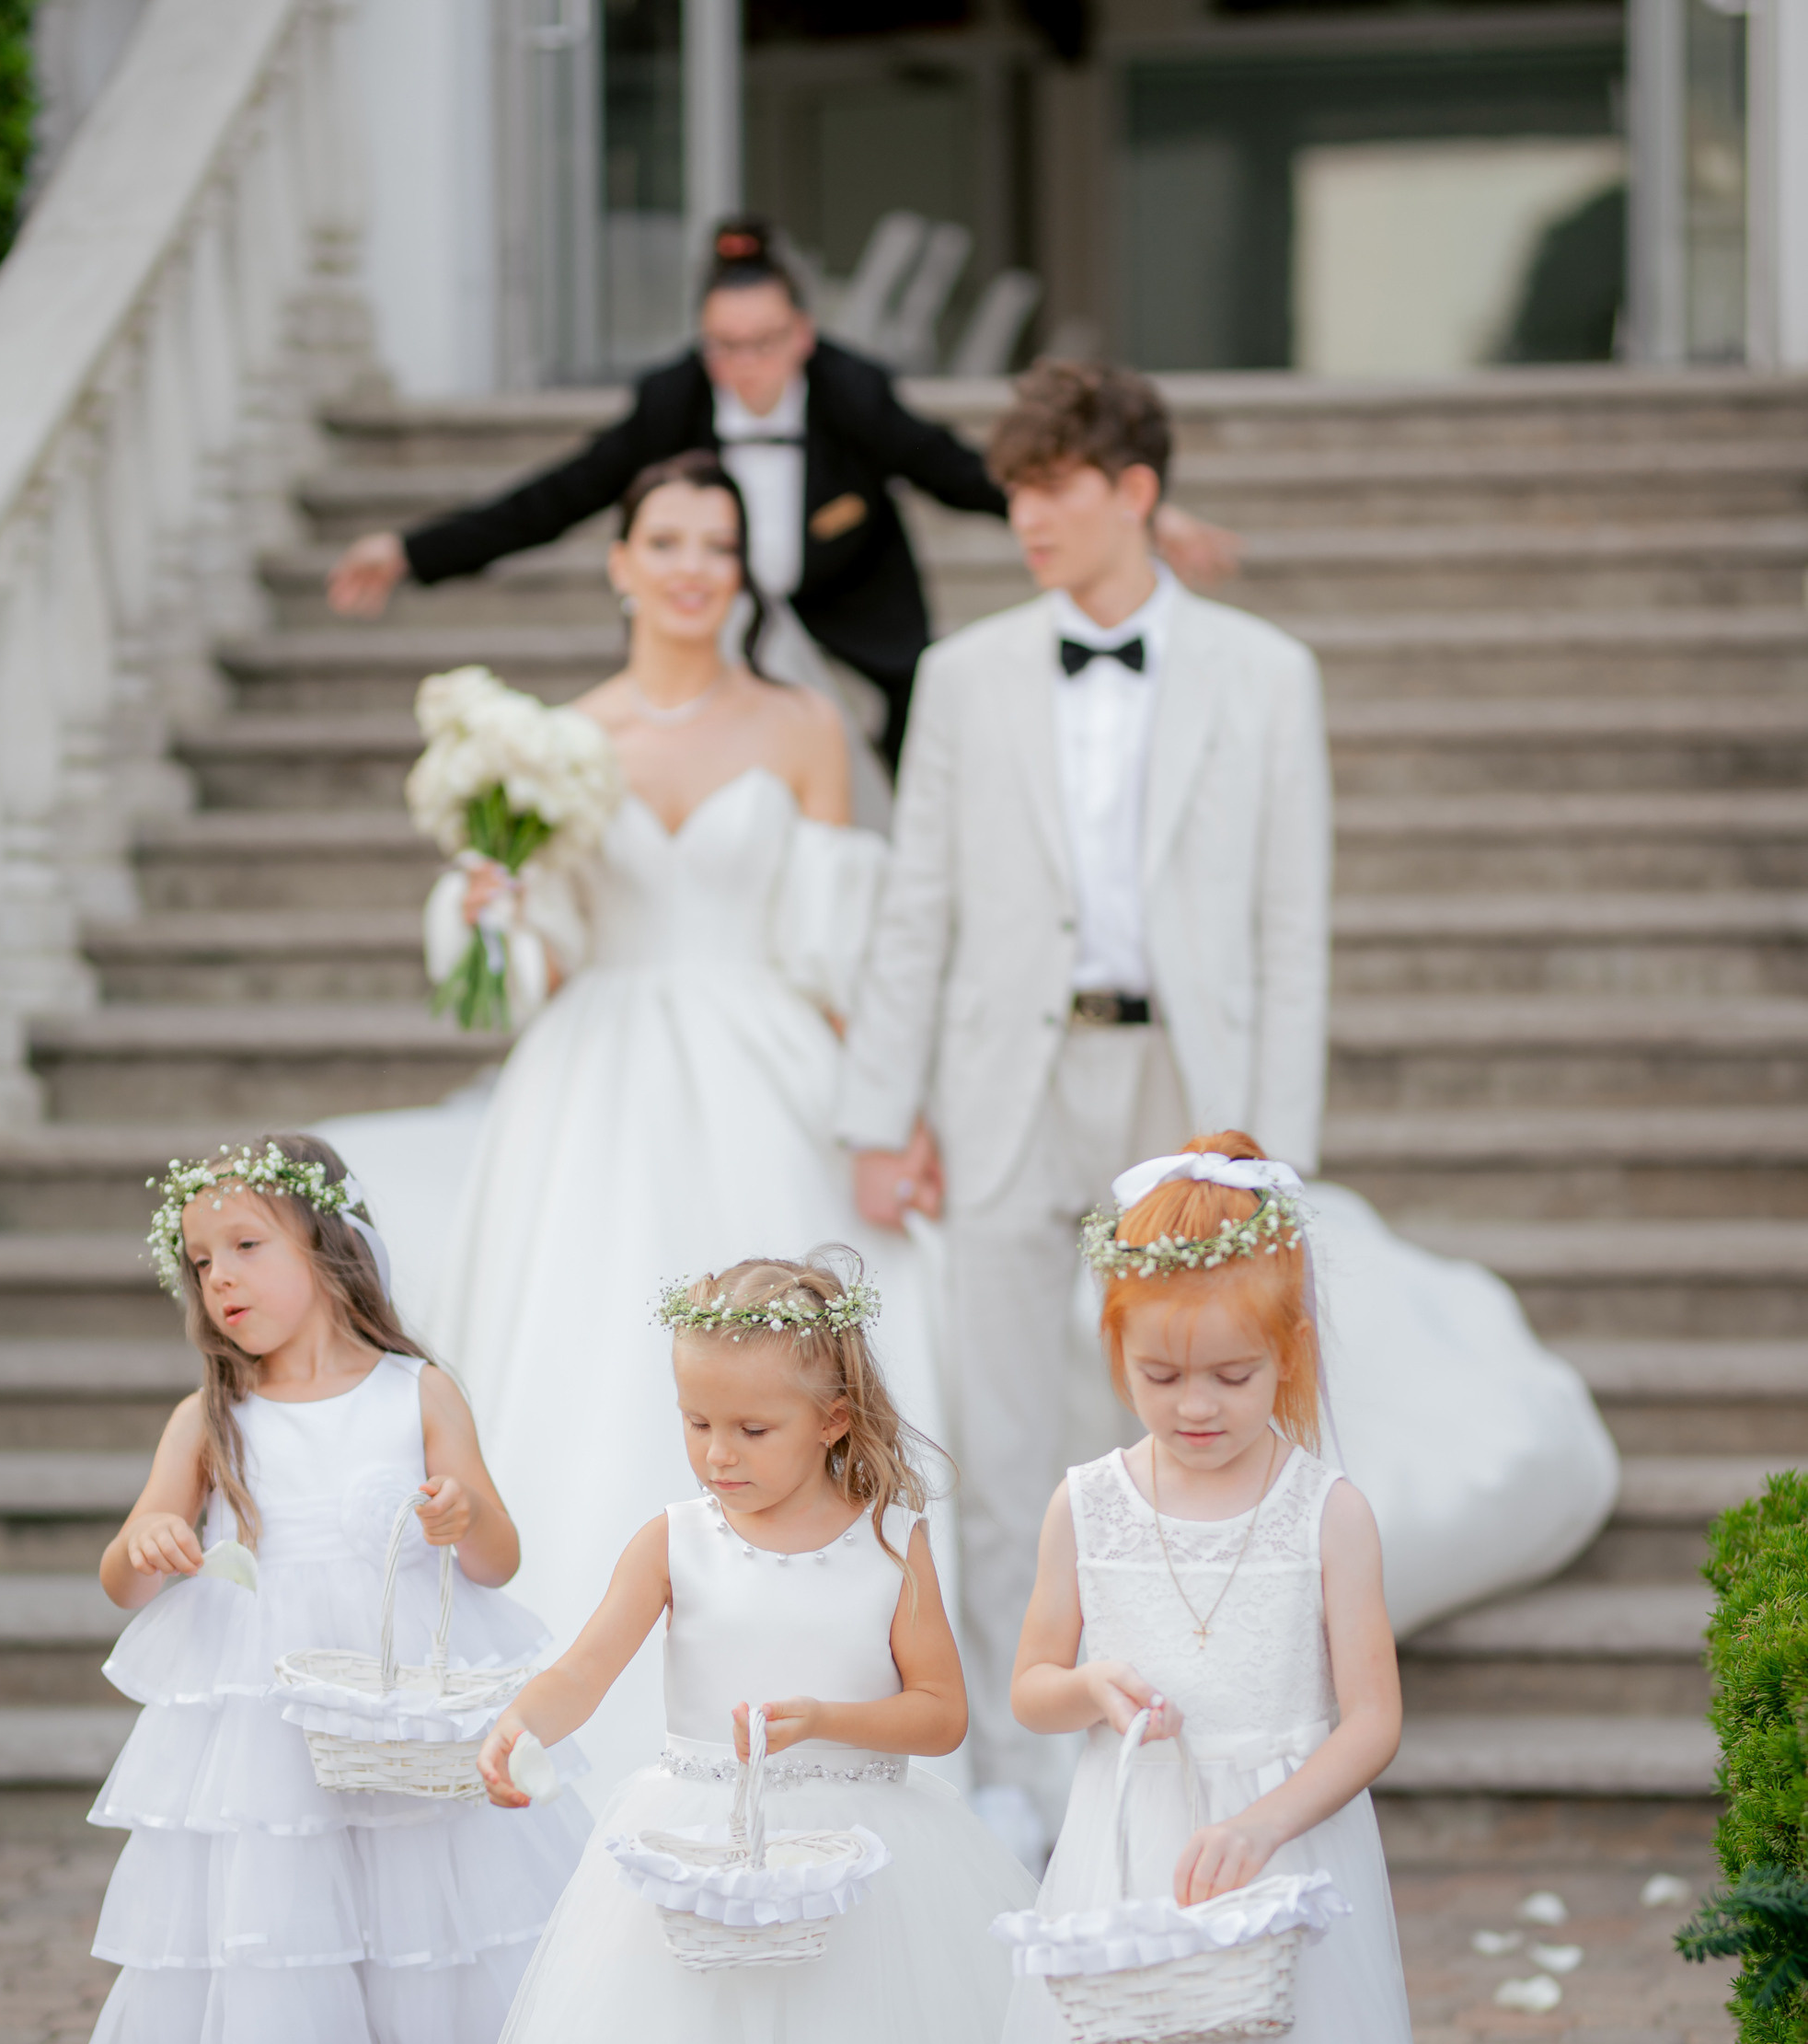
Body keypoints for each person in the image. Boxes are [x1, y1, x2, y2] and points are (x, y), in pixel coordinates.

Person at [837, 359, 1618, 1844]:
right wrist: (883, 1110)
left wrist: (1276, 1145)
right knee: (1002, 1436)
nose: (1027, 521)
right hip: (1005, 1080)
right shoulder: (965, 675)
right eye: (1013, 493)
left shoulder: (1266, 674)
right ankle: (1017, 1766)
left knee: (1200, 1415)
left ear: (1133, 491)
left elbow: (1288, 925)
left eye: (1053, 490)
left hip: (1188, 1090)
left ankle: (1228, 1740)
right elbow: (915, 904)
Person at [323, 453, 949, 1799]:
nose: (689, 568)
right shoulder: (556, 742)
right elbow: (533, 964)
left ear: (741, 573)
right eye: (664, 540)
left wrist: (890, 1116)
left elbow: (841, 951)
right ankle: (563, 1710)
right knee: (585, 1353)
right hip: (591, 1080)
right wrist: (491, 908)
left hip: (763, 1066)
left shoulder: (800, 726)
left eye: (716, 547)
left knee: (786, 1344)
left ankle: (811, 1679)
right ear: (619, 563)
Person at [407, 1253, 1036, 2044]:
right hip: (697, 1852)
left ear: (835, 1418)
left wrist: (828, 1719)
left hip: (859, 1862)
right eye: (695, 1422)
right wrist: (523, 1722)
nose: (717, 1453)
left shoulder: (890, 1543)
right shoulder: (675, 1542)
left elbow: (941, 1716)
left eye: (752, 1427)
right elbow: (587, 1666)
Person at [972, 1139, 1493, 2044]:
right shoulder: (1091, 1501)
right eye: (1163, 1378)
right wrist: (1097, 1689)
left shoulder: (1327, 1509)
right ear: (1117, 1352)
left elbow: (1373, 1714)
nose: (1196, 1409)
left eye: (1232, 1379)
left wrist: (1271, 1820)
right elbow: (1028, 1678)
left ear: (1288, 1358)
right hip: (1136, 1844)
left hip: (1281, 1866)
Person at [78, 1136, 587, 2044]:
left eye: (247, 1247)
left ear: (327, 1247)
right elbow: (122, 1565)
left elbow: (499, 1554)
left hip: (397, 1684)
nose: (222, 1281)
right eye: (199, 1262)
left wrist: (460, 1517)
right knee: (281, 1951)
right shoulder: (212, 1417)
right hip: (261, 1708)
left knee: (412, 1924)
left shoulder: (417, 1393)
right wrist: (149, 1540)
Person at [327, 216, 1236, 792]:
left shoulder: (851, 392)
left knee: (902, 772)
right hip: (711, 626)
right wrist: (413, 552)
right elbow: (558, 496)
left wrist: (1137, 520)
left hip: (849, 630)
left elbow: (957, 471)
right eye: (724, 348)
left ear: (802, 333)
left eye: (764, 344)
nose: (745, 369)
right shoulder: (670, 402)